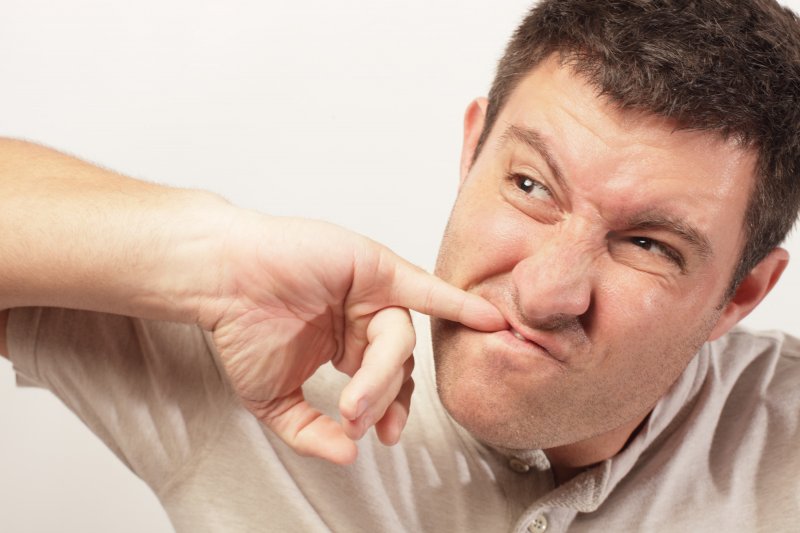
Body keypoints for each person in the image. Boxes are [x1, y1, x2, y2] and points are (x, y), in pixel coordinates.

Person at [2, 0, 799, 531]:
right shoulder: (278, 353)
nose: (544, 289)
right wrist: (214, 254)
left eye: (649, 245)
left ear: (741, 293)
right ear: (471, 148)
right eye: (529, 185)